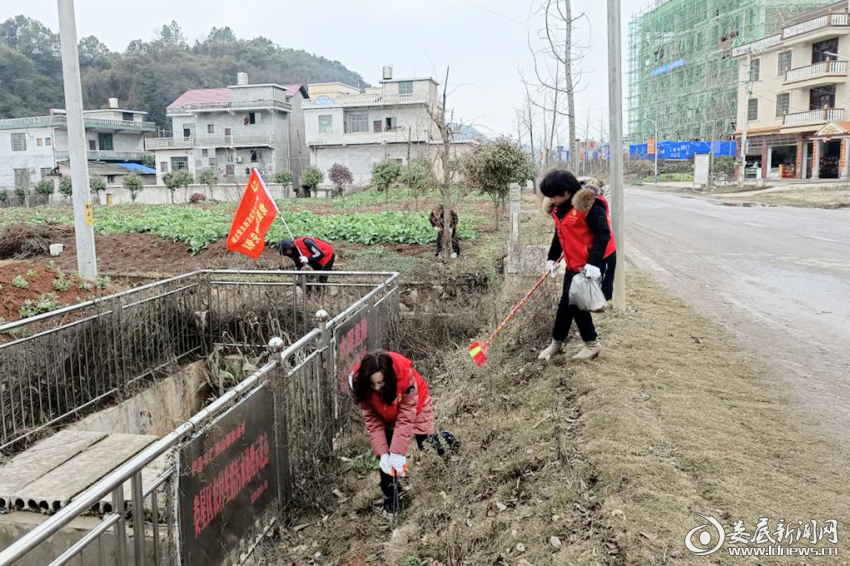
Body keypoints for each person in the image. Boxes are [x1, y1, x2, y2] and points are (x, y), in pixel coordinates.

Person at [349, 350, 456, 514]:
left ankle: (448, 443)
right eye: (373, 385)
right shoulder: (360, 385)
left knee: (426, 444)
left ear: (389, 377)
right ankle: (391, 499)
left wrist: (398, 452)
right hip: (385, 414)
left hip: (416, 406)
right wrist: (384, 453)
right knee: (386, 458)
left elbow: (407, 415)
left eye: (381, 383)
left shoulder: (405, 377)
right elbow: (372, 421)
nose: (377, 388)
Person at [538, 166, 617, 361]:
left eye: (553, 196)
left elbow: (603, 234)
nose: (551, 200)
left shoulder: (590, 205)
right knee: (566, 304)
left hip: (596, 260)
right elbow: (560, 234)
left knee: (575, 303)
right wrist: (551, 259)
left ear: (566, 192)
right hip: (575, 262)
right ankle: (557, 343)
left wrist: (593, 264)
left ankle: (591, 344)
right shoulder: (559, 208)